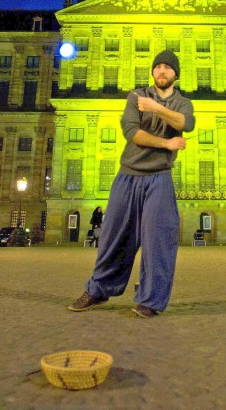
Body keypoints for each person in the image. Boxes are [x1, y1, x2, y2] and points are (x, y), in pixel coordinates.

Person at [69, 49, 195, 318]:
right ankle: (97, 290)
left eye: (167, 67)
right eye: (158, 66)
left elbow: (186, 123)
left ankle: (150, 300)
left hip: (159, 177)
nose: (162, 70)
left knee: (158, 241)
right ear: (152, 71)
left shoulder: (183, 103)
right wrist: (167, 142)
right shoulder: (136, 96)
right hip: (128, 175)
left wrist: (157, 108)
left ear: (176, 74)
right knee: (112, 237)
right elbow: (132, 133)